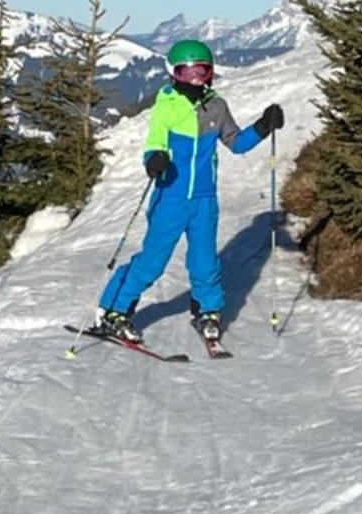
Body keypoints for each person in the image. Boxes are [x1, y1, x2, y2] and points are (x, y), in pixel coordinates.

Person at [98, 38, 283, 344]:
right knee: (152, 261)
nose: (196, 78)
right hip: (171, 196)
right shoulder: (166, 106)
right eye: (187, 72)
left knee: (205, 260)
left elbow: (236, 143)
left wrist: (263, 127)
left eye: (202, 70)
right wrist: (154, 159)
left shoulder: (217, 106)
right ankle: (115, 311)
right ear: (173, 73)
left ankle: (208, 311)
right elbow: (155, 142)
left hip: (204, 200)